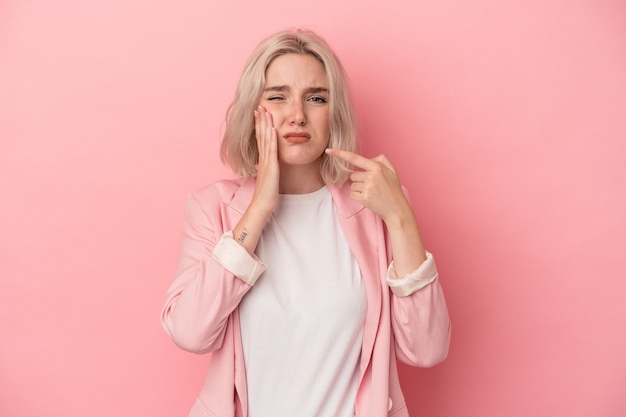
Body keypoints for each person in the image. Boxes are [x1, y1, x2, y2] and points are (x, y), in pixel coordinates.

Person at [161, 29, 451, 417]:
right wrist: (260, 206)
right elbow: (191, 333)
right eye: (277, 97)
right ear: (253, 111)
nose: (297, 114)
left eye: (316, 98)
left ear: (335, 113)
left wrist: (400, 217)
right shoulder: (213, 207)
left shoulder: (376, 211)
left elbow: (427, 349)